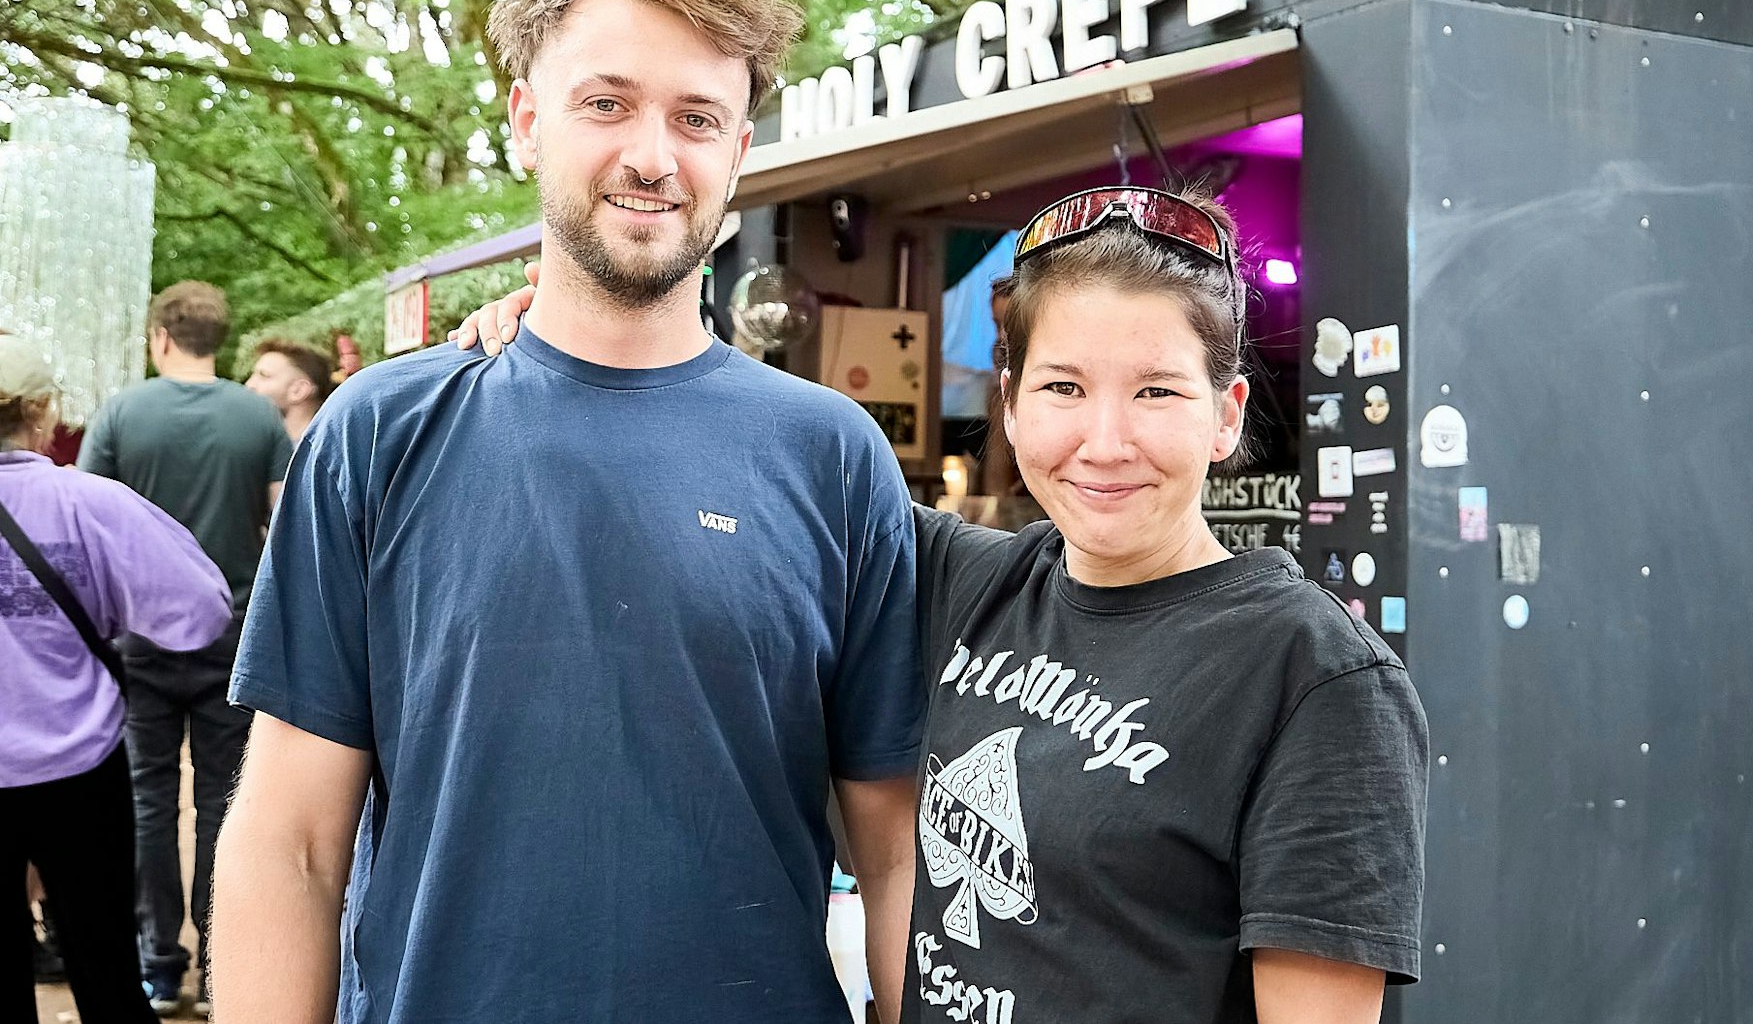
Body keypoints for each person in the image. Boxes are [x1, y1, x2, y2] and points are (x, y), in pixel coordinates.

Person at [460, 186, 1431, 1022]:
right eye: (1063, 386)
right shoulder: (970, 580)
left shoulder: (1315, 678)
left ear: (1225, 414)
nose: (1104, 440)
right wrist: (584, 326)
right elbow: (753, 453)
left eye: (1156, 393)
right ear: (1010, 401)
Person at [209, 0, 923, 1024]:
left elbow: (895, 849)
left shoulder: (833, 455)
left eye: (697, 118)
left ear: (739, 151)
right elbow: (291, 841)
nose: (653, 155)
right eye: (607, 103)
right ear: (527, 120)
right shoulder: (378, 433)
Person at [1, 333, 234, 1023]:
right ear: (42, 411)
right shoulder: (89, 503)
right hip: (79, 762)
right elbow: (200, 611)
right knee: (104, 965)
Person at [76, 280, 292, 1017]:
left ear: (161, 337)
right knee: (223, 803)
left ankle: (159, 969)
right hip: (233, 633)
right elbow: (288, 525)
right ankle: (220, 972)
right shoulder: (257, 415)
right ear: (217, 339)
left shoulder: (121, 414)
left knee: (149, 801)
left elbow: (88, 524)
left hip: (138, 637)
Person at [243, 338, 334, 442]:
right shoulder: (254, 444)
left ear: (299, 390)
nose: (249, 385)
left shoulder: (325, 449)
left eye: (264, 376)